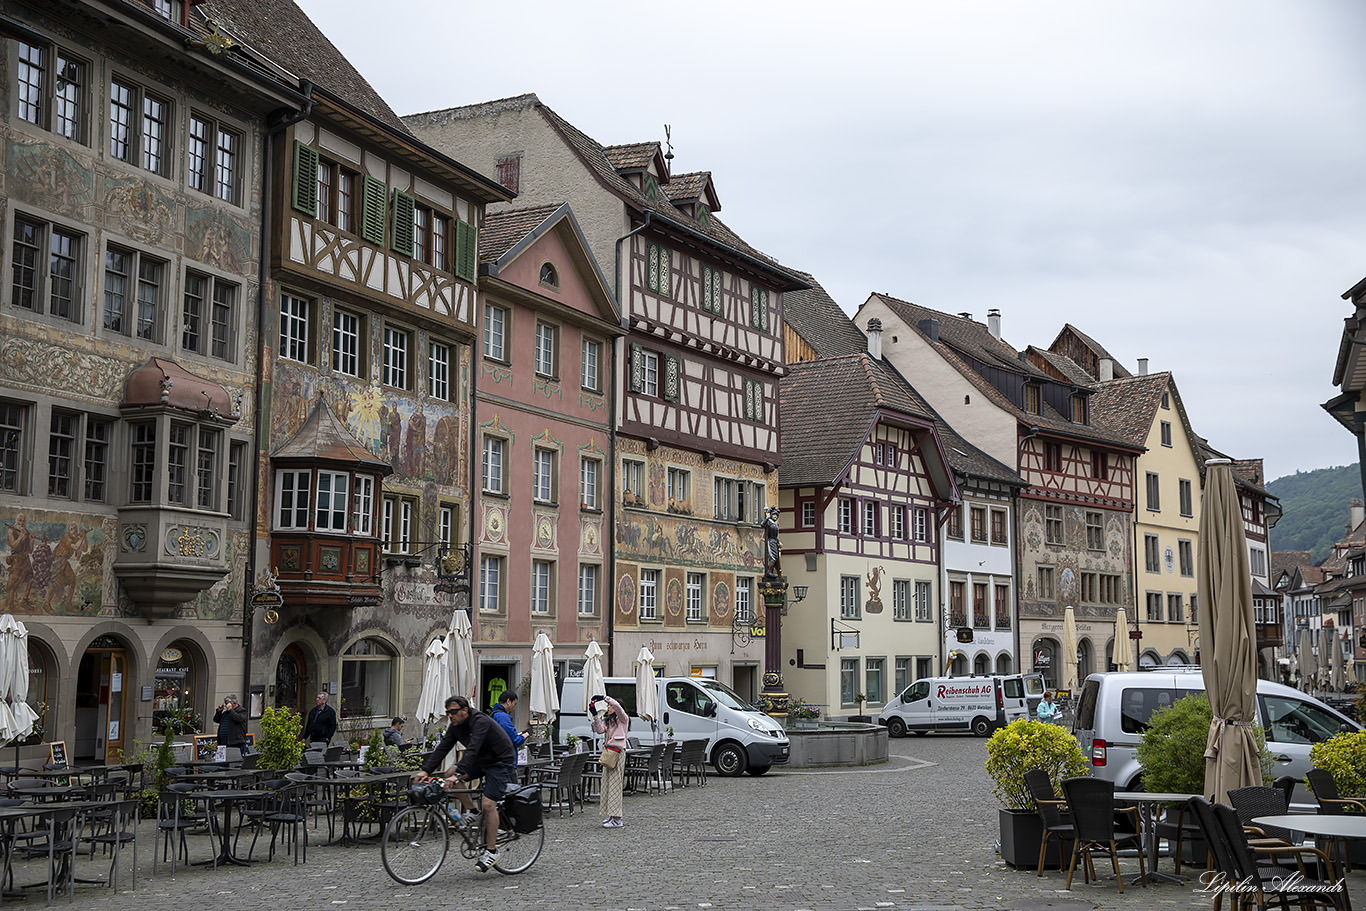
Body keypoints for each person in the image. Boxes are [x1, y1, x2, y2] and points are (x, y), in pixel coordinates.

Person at [421, 695, 516, 872]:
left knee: (488, 804)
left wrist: (458, 773)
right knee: (449, 772)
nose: (450, 716)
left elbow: (473, 748)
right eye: (448, 712)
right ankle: (472, 811)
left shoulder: (480, 721)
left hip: (500, 761)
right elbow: (443, 747)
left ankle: (492, 851)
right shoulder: (456, 726)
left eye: (454, 712)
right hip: (481, 761)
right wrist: (426, 770)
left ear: (465, 710)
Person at [590, 694, 630, 829]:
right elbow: (600, 730)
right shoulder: (609, 721)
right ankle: (610, 814)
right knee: (607, 784)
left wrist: (605, 698)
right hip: (608, 752)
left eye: (609, 706)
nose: (608, 708)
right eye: (608, 706)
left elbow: (618, 708)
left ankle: (617, 818)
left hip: (618, 753)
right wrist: (595, 716)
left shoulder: (623, 719)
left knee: (615, 785)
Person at [490, 692, 526, 764]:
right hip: (504, 763)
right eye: (514, 704)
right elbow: (515, 740)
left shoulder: (494, 714)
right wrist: (524, 736)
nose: (514, 707)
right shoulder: (503, 717)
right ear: (508, 701)